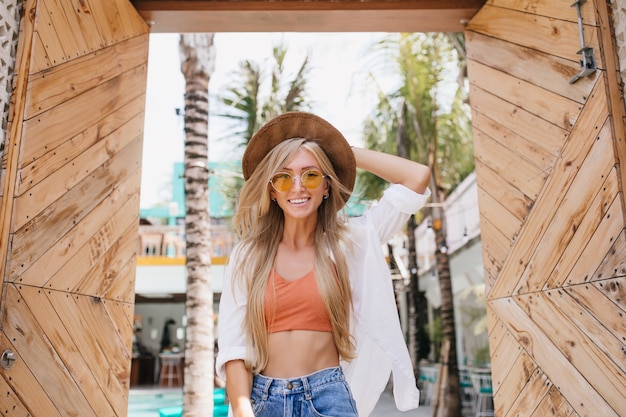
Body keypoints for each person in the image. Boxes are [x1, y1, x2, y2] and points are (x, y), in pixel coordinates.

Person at [216, 112, 431, 417]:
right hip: (264, 400)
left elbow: (417, 178)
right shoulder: (248, 256)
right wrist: (241, 408)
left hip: (328, 397)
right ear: (272, 191)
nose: (298, 187)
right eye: (283, 177)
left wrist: (342, 151)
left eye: (311, 174)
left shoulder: (351, 243)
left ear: (327, 186)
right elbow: (234, 345)